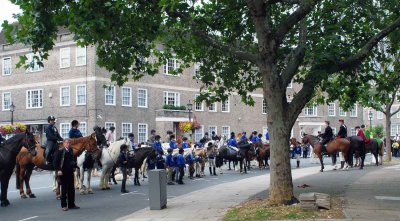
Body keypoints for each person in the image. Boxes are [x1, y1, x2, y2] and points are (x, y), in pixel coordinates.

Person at [54, 139, 79, 211]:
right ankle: (64, 205)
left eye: (69, 143)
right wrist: (58, 170)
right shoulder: (60, 152)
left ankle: (71, 204)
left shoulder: (71, 151)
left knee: (71, 189)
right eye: (67, 143)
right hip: (63, 173)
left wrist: (74, 166)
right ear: (64, 144)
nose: (68, 144)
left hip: (70, 172)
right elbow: (55, 162)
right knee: (64, 190)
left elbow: (73, 160)